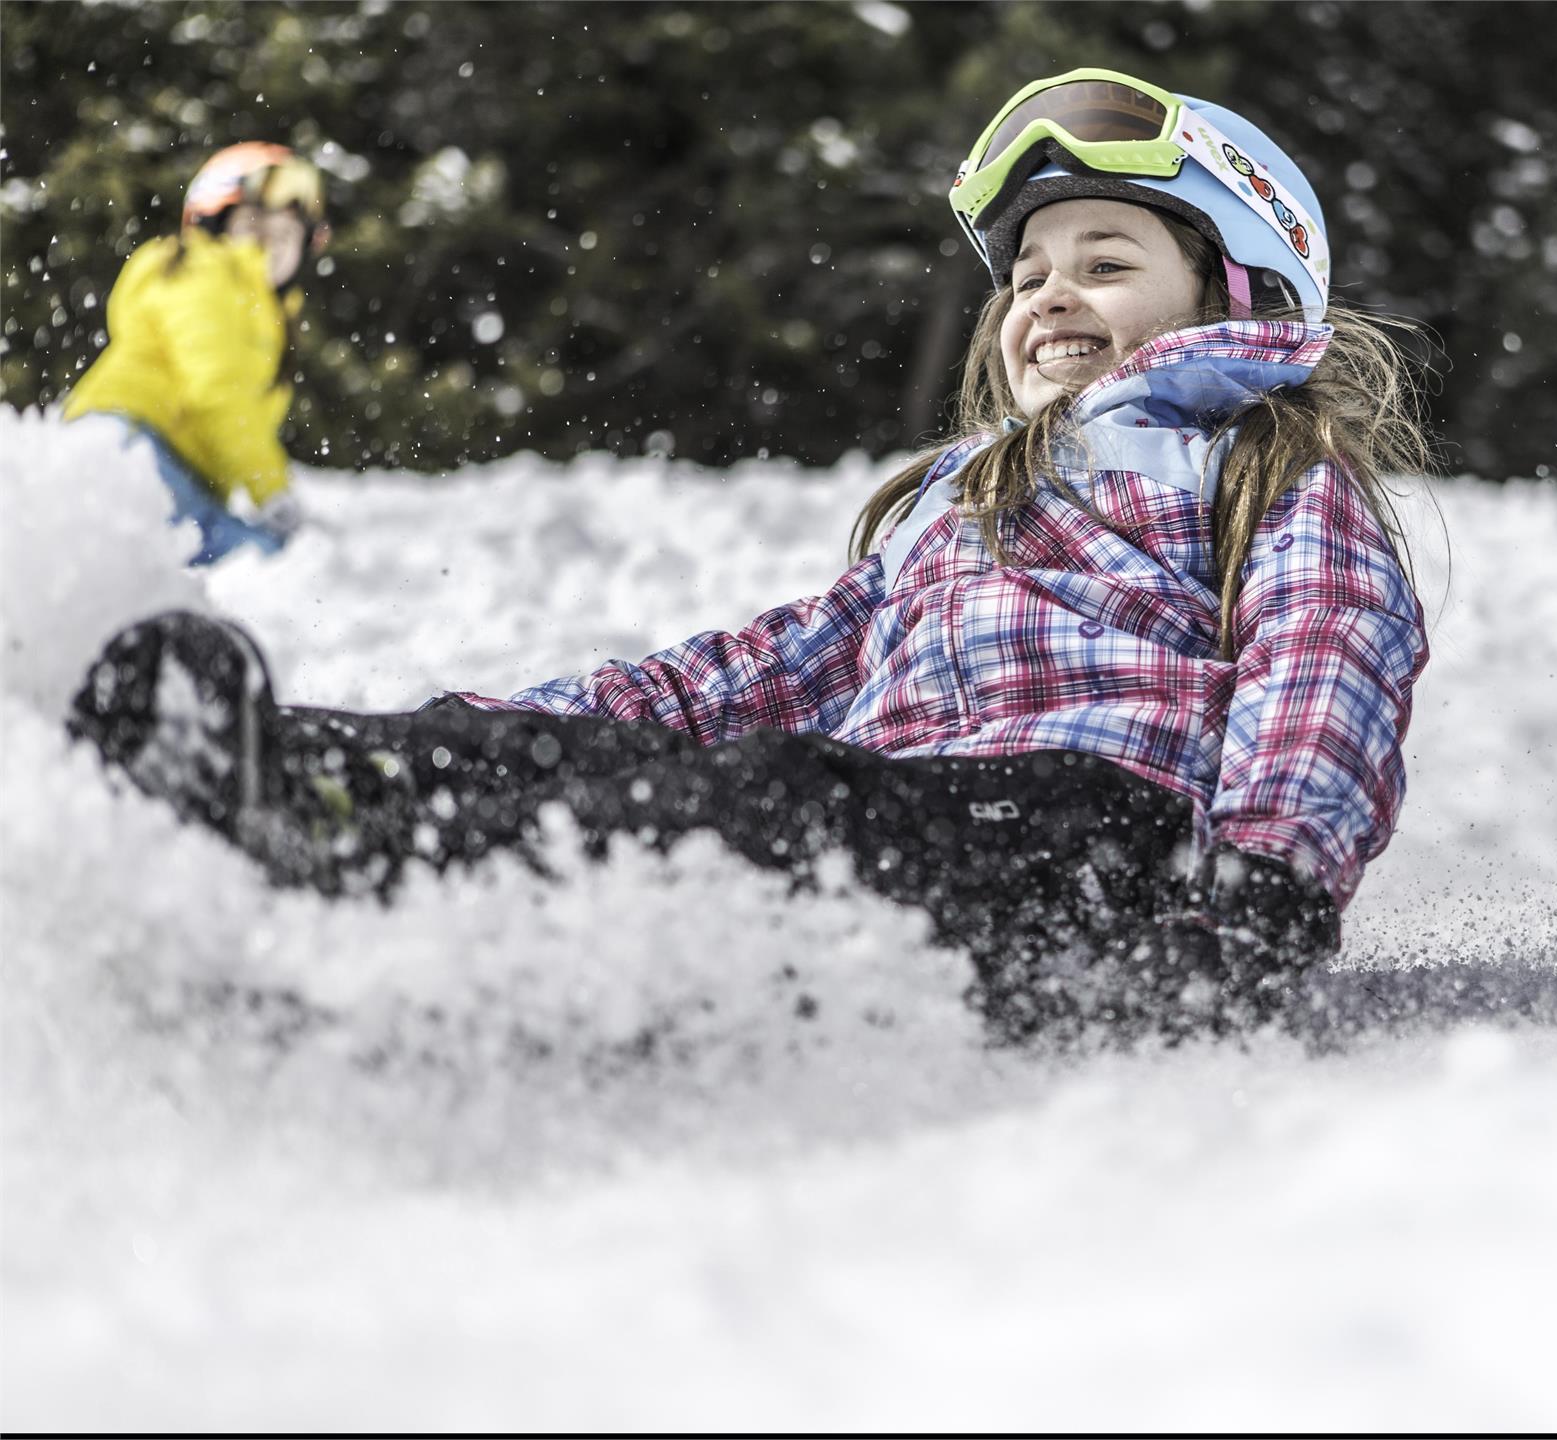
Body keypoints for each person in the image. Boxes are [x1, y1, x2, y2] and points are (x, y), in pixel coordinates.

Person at [69, 70, 1435, 1045]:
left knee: (780, 803)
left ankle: (413, 914)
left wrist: (1269, 875)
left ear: (1237, 293)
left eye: (1106, 261)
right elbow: (756, 672)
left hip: (1110, 857)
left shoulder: (1256, 465)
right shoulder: (954, 513)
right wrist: (511, 728)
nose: (1049, 296)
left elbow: (1329, 653)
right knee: (673, 772)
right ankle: (306, 786)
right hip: (910, 824)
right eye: (1026, 276)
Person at [64, 142, 329, 565]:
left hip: (159, 461)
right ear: (213, 224)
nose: (268, 245)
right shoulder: (204, 271)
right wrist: (272, 489)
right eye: (254, 227)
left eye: (284, 235)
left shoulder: (265, 311)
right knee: (254, 558)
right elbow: (218, 393)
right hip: (133, 446)